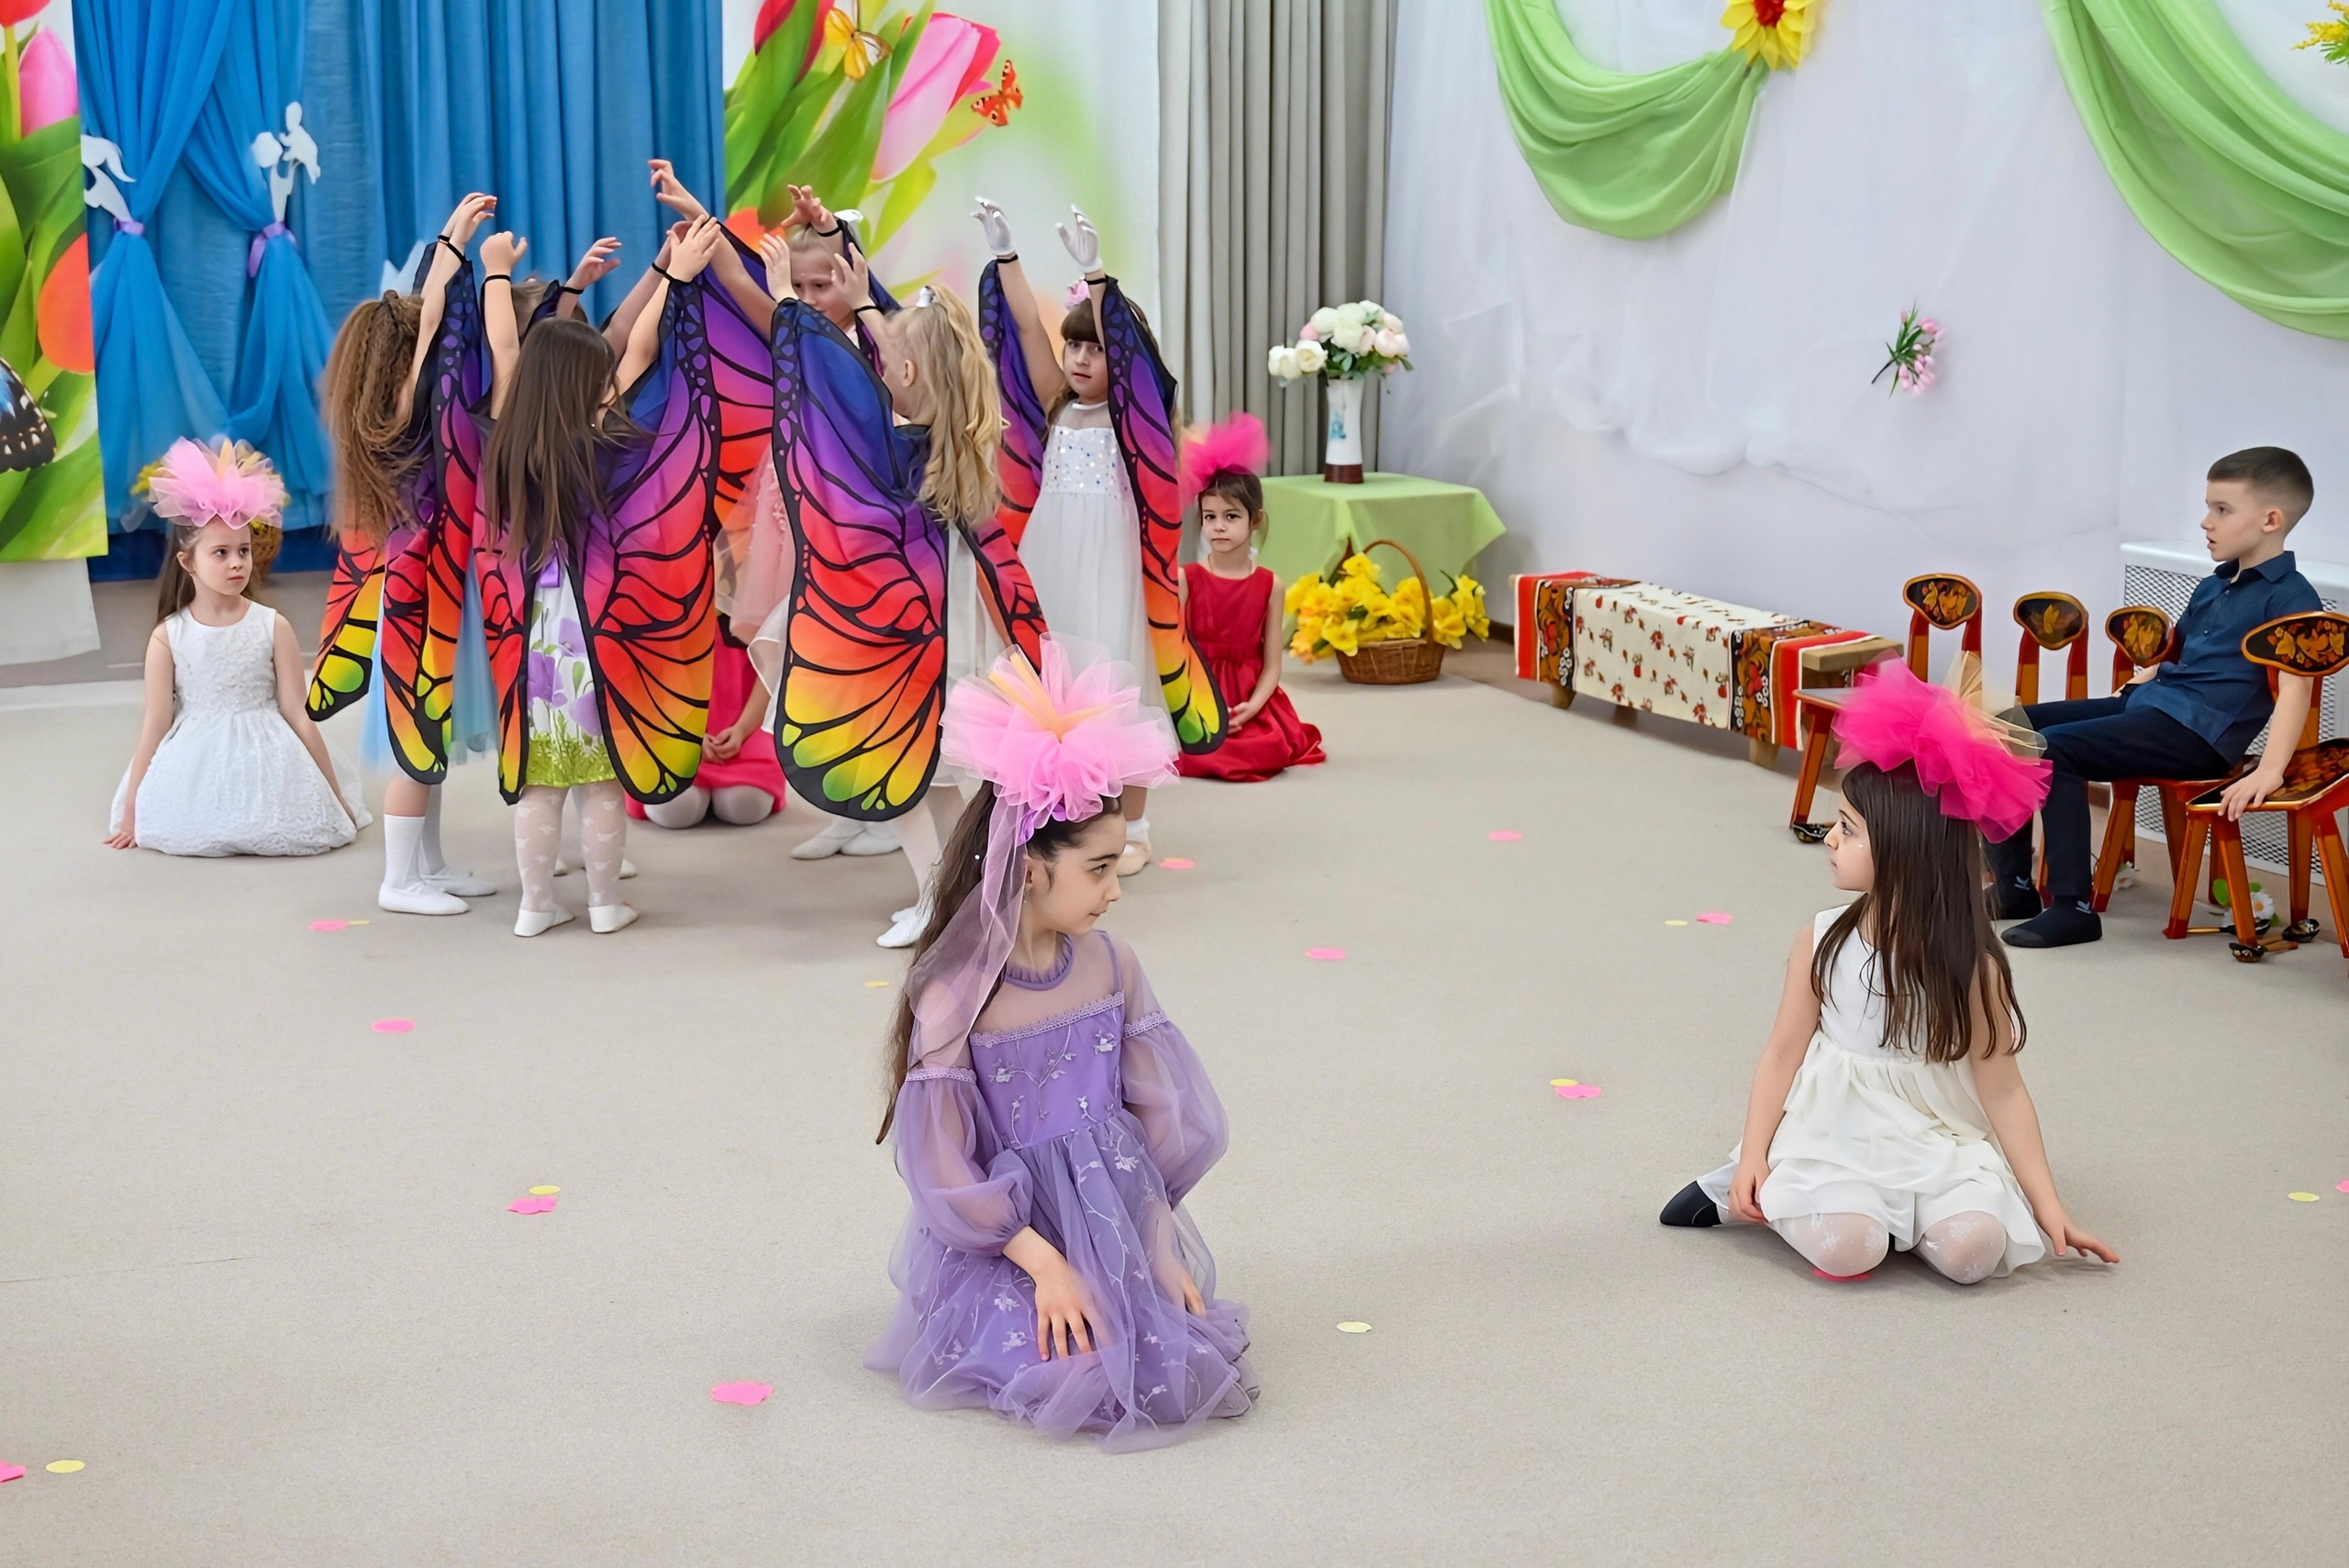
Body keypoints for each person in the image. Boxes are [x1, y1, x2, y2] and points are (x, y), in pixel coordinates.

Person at [865, 640, 1254, 1450]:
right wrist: (1044, 1265)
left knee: (1169, 1355)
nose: (1116, 890)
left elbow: (1156, 1120)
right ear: (1031, 869)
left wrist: (1156, 1243)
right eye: (1099, 868)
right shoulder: (956, 997)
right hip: (1013, 1241)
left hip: (1114, 1218)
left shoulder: (1114, 965)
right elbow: (942, 1163)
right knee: (1070, 1366)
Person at [1660, 659, 2116, 1284]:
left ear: (1906, 849)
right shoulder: (1822, 938)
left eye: (1848, 830)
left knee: (1975, 1251)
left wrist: (2049, 1207)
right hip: (1836, 1134)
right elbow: (1782, 1053)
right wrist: (1753, 1157)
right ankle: (1769, 1194)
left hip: (1933, 1136)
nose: (1829, 839)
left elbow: (2003, 1088)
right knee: (1851, 1247)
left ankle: (1905, 1217)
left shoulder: (1971, 964)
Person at [718, 237, 1050, 947]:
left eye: (887, 360)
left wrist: (788, 304)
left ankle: (936, 898)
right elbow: (888, 365)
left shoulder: (892, 445)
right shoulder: (958, 430)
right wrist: (867, 305)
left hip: (902, 630)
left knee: (887, 761)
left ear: (903, 371)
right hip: (953, 625)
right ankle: (969, 895)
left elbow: (831, 388)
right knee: (939, 772)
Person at [472, 216, 729, 936]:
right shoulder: (605, 436)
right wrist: (674, 277)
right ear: (590, 384)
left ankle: (534, 905)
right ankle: (605, 902)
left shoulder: (505, 434)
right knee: (602, 777)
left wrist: (495, 270)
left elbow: (503, 344)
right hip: (598, 630)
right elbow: (640, 349)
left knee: (541, 778)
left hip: (532, 637)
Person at [651, 161, 902, 862]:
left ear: (852, 279)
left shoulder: (875, 340)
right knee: (810, 656)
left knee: (858, 658)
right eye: (805, 285)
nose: (814, 297)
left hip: (852, 518)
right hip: (791, 508)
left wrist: (832, 230)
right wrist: (693, 207)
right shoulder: (789, 330)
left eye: (827, 284)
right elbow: (734, 274)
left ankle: (883, 809)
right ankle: (844, 807)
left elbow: (883, 311)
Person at [973, 200, 1225, 873]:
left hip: (1112, 566)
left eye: (1096, 347)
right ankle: (1065, 811)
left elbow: (1136, 364)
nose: (1081, 358)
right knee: (1057, 682)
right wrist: (1007, 258)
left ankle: (1134, 827)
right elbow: (1028, 330)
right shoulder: (1058, 401)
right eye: (1076, 346)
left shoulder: (1137, 416)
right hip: (1052, 559)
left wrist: (1099, 278)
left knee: (1123, 685)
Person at [1987, 447, 2323, 948]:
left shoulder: (2292, 597)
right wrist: (2144, 676)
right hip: (2155, 705)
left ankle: (2072, 908)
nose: (2206, 521)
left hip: (2198, 734)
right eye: (2208, 507)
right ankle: (2014, 887)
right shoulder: (2214, 585)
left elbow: (2297, 686)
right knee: (2004, 725)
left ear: (2271, 520)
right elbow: (2181, 652)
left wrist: (2271, 769)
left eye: (2222, 510)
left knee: (2054, 749)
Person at [315, 193, 504, 914]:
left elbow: (428, 324)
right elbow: (431, 326)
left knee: (431, 734)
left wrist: (448, 242)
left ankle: (428, 863)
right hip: (417, 600)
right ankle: (399, 879)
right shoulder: (396, 415)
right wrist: (451, 247)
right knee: (416, 737)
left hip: (424, 588)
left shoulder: (376, 417)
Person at [108, 439, 369, 857]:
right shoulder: (168, 637)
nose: (236, 563)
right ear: (188, 563)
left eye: (243, 551)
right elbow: (155, 724)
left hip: (267, 750)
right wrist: (131, 812)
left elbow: (297, 713)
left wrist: (334, 795)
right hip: (196, 756)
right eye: (221, 553)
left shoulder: (272, 626)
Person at [1175, 413, 1326, 782]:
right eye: (1210, 517)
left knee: (1263, 749)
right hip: (1197, 696)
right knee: (1184, 749)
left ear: (1254, 521)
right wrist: (1192, 704)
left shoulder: (1270, 585)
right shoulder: (1187, 579)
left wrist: (1253, 706)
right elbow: (1175, 652)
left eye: (1231, 516)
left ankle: (1248, 725)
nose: (1219, 527)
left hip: (1249, 697)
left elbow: (1272, 664)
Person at [627, 614, 786, 829]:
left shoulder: (757, 604)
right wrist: (687, 736)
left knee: (745, 805)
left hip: (746, 729)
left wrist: (741, 730)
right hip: (669, 730)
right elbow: (644, 677)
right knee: (676, 810)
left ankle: (720, 788)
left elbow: (771, 670)